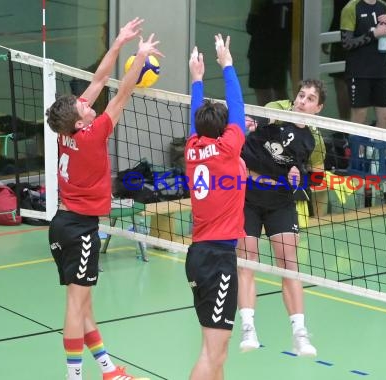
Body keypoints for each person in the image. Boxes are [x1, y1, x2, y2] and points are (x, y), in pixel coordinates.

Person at [46, 18, 162, 380]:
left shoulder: (68, 129)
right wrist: (140, 59)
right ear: (80, 123)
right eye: (84, 109)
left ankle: (108, 370)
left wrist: (119, 43)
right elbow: (122, 94)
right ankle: (74, 375)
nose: (88, 105)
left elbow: (98, 81)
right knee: (75, 305)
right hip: (79, 230)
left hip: (63, 225)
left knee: (85, 305)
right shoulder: (93, 135)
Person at [237, 79, 327, 357]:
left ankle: (299, 332)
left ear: (318, 108)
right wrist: (261, 121)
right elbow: (255, 123)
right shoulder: (274, 111)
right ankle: (248, 328)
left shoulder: (313, 140)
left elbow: (307, 173)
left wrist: (299, 175)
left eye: (310, 99)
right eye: (301, 95)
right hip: (249, 196)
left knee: (289, 265)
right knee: (247, 260)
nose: (303, 101)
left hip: (280, 201)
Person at [184, 34, 247, 380]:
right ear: (224, 131)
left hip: (200, 257)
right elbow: (237, 107)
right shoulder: (227, 151)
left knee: (216, 352)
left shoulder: (193, 148)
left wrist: (197, 78)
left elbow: (204, 118)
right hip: (218, 260)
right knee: (213, 353)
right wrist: (227, 64)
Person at [340, 0, 386, 129]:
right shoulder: (351, 7)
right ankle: (356, 149)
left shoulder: (384, 6)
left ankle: (379, 148)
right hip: (359, 71)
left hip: (380, 71)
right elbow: (346, 43)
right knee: (360, 117)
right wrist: (373, 34)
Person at [246, 0, 293, 106]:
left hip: (262, 49)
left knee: (264, 91)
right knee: (279, 89)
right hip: (281, 49)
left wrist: (254, 8)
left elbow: (251, 26)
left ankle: (270, 120)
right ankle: (285, 119)